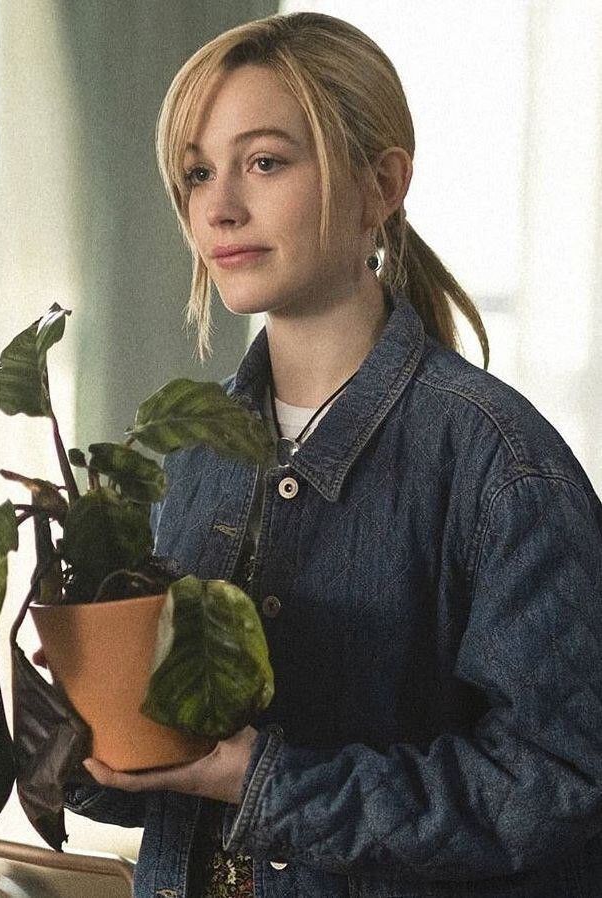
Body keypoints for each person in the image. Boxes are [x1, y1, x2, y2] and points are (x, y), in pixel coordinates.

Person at [65, 11, 602, 897]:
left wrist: (267, 784)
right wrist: (93, 727)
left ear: (379, 184)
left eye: (265, 161)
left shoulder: (500, 465)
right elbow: (170, 793)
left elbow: (558, 788)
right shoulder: (190, 458)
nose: (218, 205)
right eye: (197, 171)